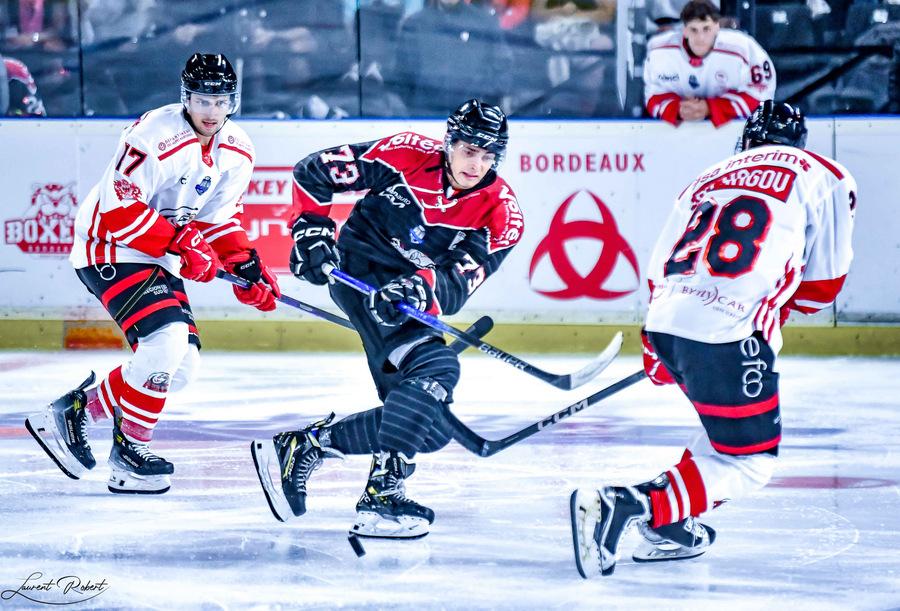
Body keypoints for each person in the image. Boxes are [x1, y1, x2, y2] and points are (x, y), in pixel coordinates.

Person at [570, 101, 856, 577]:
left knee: (720, 438)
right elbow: (822, 289)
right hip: (731, 331)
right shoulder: (824, 173)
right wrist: (771, 298)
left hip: (667, 320)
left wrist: (657, 338)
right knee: (749, 461)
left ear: (746, 140)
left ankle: (670, 522)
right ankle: (627, 504)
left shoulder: (707, 176)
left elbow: (660, 266)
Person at [251, 99, 524, 539]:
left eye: (488, 155)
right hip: (361, 270)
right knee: (437, 367)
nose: (477, 164)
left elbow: (457, 282)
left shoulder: (501, 213)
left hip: (408, 293)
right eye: (469, 150)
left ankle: (306, 447)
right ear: (450, 143)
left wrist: (418, 288)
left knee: (429, 425)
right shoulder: (404, 153)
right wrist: (311, 230)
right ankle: (380, 494)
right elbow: (314, 171)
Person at [25, 53, 280, 495]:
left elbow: (219, 218)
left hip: (157, 253)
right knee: (166, 341)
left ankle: (77, 412)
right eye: (202, 100)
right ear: (186, 98)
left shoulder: (238, 149)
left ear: (233, 102)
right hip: (109, 244)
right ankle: (130, 451)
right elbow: (119, 209)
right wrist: (181, 243)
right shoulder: (153, 136)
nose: (211, 111)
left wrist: (244, 265)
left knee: (180, 367)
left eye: (220, 102)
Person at [643, 0, 775, 127]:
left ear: (717, 27)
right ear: (684, 30)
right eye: (693, 30)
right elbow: (650, 93)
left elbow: (762, 93)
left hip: (731, 131)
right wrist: (677, 109)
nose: (700, 38)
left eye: (706, 29)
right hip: (677, 131)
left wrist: (710, 108)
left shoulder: (744, 48)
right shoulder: (658, 51)